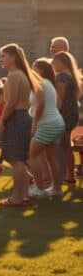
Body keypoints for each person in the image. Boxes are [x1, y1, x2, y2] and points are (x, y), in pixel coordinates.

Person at [0, 43, 37, 208]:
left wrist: (1, 121)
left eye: (3, 56)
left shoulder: (14, 75)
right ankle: (24, 194)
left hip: (17, 118)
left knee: (16, 159)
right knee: (19, 159)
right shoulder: (22, 74)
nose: (1, 59)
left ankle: (17, 198)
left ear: (13, 57)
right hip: (24, 117)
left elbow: (11, 102)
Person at [26, 59, 65, 199]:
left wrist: (35, 122)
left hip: (47, 124)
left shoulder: (40, 83)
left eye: (33, 67)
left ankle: (40, 189)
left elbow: (41, 104)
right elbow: (58, 104)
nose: (30, 70)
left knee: (32, 156)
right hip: (56, 122)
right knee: (51, 157)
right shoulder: (49, 83)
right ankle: (56, 189)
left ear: (41, 70)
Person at [52, 51, 81, 185]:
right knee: (66, 145)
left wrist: (53, 114)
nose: (52, 64)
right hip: (72, 113)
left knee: (64, 146)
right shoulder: (72, 75)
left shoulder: (62, 76)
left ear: (61, 62)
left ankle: (68, 175)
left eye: (54, 61)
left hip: (64, 114)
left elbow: (60, 98)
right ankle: (68, 174)